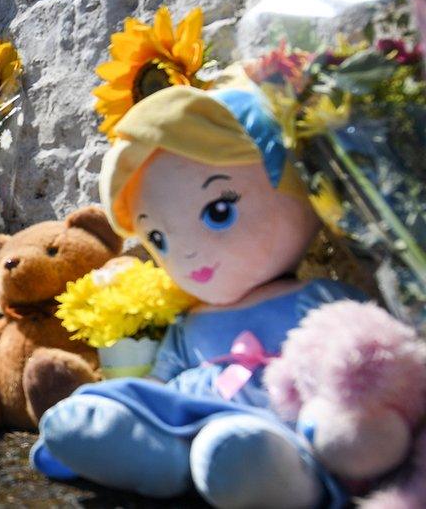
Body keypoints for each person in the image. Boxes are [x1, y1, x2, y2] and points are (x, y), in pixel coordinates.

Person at [31, 85, 365, 508]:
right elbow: (160, 381)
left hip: (277, 425)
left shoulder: (315, 297)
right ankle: (153, 457)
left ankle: (273, 477)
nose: (185, 252)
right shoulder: (192, 320)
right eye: (158, 238)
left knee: (236, 449)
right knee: (115, 414)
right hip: (186, 413)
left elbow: (363, 359)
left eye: (218, 211)